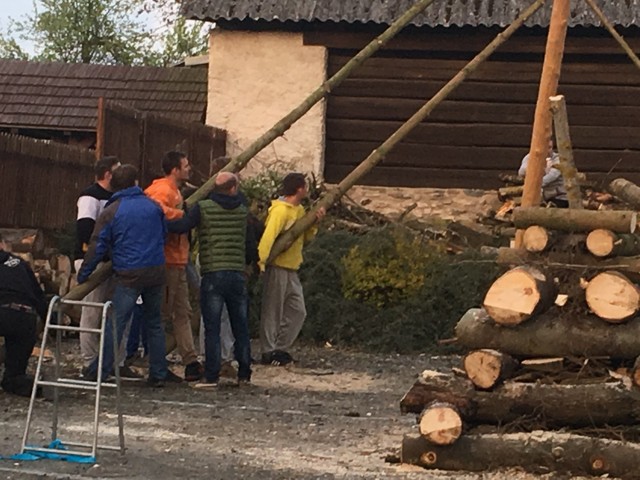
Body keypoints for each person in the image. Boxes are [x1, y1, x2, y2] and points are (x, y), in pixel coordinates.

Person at [78, 164, 177, 387]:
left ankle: (101, 370)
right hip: (156, 270)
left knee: (116, 323)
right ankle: (158, 373)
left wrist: (84, 274)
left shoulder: (112, 210)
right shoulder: (153, 206)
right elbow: (163, 234)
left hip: (129, 273)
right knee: (154, 323)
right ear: (135, 183)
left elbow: (97, 245)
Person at [168, 172, 256, 387]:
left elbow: (182, 226)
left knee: (212, 327)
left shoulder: (203, 208)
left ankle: (211, 375)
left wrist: (165, 217)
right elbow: (250, 243)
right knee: (240, 326)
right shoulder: (243, 211)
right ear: (233, 188)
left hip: (213, 273)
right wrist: (247, 265)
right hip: (236, 272)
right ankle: (244, 373)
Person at [74, 156, 139, 378]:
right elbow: (85, 230)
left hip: (113, 262)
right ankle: (90, 361)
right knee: (92, 311)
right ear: (108, 174)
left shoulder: (118, 198)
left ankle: (116, 361)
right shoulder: (90, 196)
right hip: (95, 260)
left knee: (118, 313)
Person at [145, 151, 202, 381]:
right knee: (164, 314)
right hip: (167, 260)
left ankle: (190, 361)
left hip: (178, 259)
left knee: (182, 312)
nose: (189, 169)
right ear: (175, 170)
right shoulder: (162, 191)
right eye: (185, 166)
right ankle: (157, 364)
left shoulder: (174, 190)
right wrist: (182, 215)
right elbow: (157, 213)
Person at [257, 173, 325, 366]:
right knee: (273, 310)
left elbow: (305, 237)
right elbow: (268, 237)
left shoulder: (299, 210)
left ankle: (280, 347)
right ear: (299, 189)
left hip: (292, 266)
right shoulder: (280, 211)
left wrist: (315, 223)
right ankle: (268, 351)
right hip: (277, 265)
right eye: (305, 187)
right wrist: (262, 261)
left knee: (298, 310)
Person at [0, 233, 47, 396]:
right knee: (15, 372)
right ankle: (17, 381)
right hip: (26, 317)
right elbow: (38, 295)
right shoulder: (20, 263)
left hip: (3, 311)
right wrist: (49, 319)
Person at [518, 139, 568, 208]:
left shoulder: (558, 160)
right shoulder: (530, 157)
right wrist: (542, 170)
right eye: (545, 147)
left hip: (558, 197)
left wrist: (533, 180)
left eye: (550, 147)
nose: (548, 150)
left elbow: (547, 179)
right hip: (540, 197)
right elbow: (521, 172)